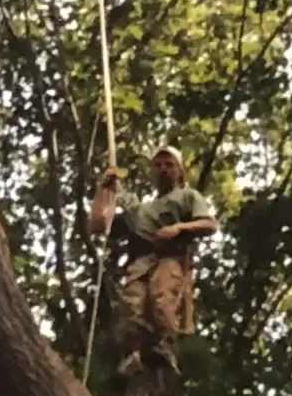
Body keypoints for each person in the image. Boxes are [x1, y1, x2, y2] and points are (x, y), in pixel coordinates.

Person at [89, 145, 218, 376]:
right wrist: (105, 190)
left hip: (170, 256)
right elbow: (99, 225)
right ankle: (134, 354)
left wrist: (179, 228)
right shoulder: (140, 210)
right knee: (131, 305)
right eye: (158, 165)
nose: (163, 169)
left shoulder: (187, 196)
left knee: (161, 297)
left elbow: (210, 224)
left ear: (180, 171)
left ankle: (164, 346)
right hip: (141, 260)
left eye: (169, 165)